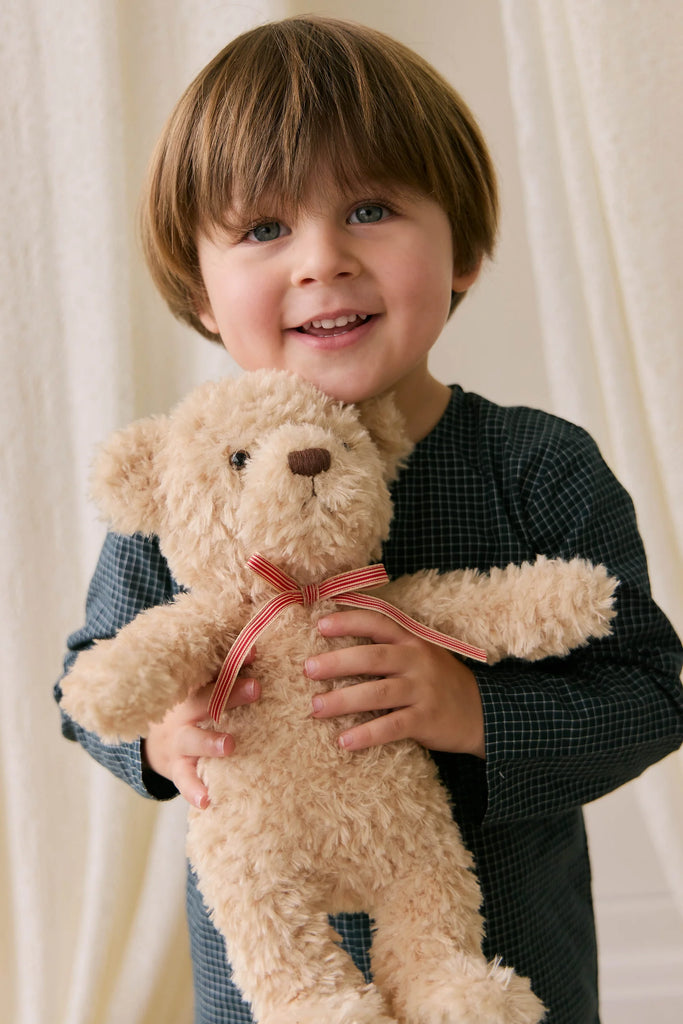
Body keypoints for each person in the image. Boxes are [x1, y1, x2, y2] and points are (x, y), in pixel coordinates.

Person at [55, 15, 683, 1024]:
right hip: (271, 990)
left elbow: (652, 693)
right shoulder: (186, 485)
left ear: (464, 250)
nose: (319, 260)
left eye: (370, 207)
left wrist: (470, 711)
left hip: (506, 969)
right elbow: (88, 674)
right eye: (263, 229)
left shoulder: (535, 465)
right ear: (199, 291)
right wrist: (160, 740)